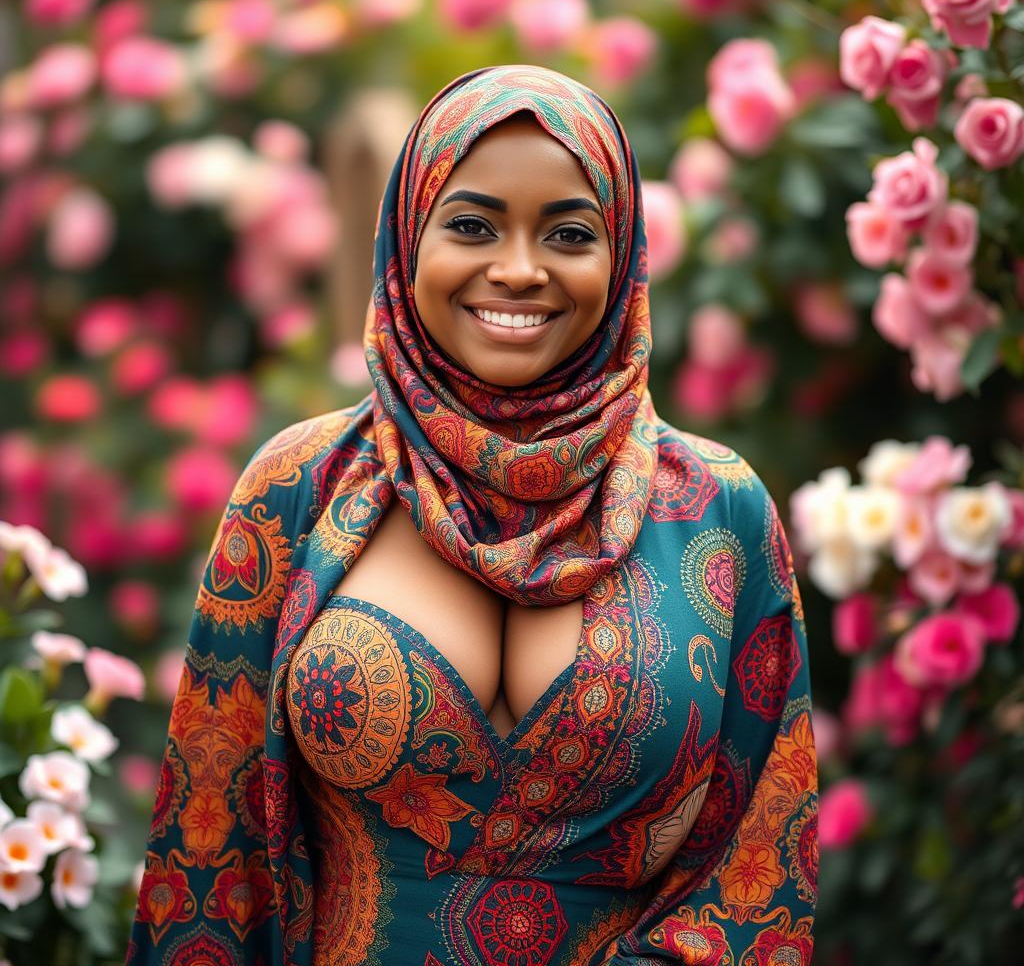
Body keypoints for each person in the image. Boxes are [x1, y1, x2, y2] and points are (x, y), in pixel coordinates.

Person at [125, 64, 817, 966]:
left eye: (569, 232)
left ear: (624, 254)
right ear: (408, 236)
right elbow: (209, 860)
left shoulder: (717, 508)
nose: (519, 269)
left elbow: (761, 872)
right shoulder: (300, 487)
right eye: (472, 225)